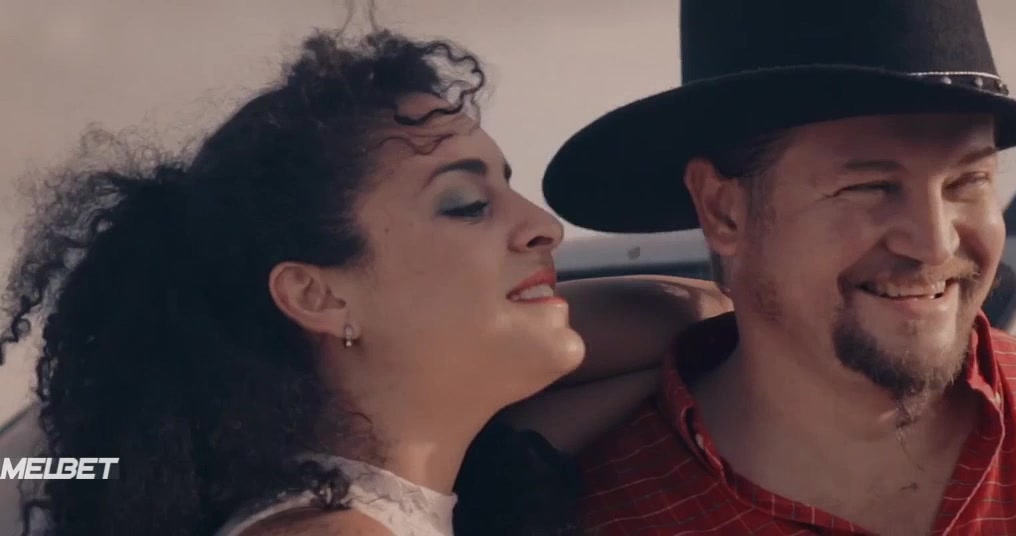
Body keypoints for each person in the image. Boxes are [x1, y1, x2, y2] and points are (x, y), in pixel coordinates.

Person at [541, 0, 1016, 534]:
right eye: (869, 186)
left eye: (968, 181)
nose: (933, 241)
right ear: (722, 210)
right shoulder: (589, 510)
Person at [0, 25, 728, 536]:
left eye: (508, 188)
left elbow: (699, 314)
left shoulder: (408, 492)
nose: (544, 226)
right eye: (466, 205)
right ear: (316, 295)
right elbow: (696, 316)